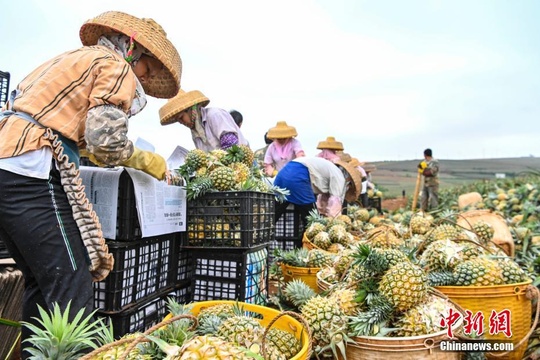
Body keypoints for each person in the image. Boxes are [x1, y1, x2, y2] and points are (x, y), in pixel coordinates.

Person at [0, 10, 181, 358]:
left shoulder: (73, 58)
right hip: (30, 167)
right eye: (146, 68)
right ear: (132, 49)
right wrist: (148, 161)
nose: (143, 77)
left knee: (42, 281)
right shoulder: (116, 66)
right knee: (72, 282)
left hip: (7, 162)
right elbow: (106, 141)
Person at [274, 157, 361, 225]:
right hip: (298, 175)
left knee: (273, 216)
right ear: (349, 182)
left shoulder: (331, 169)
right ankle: (308, 245)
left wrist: (322, 215)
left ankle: (262, 239)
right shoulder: (340, 177)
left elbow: (323, 201)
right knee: (312, 221)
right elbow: (335, 206)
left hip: (284, 173)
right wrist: (336, 225)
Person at [159, 89, 249, 151]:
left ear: (191, 109)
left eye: (181, 117)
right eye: (178, 121)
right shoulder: (195, 132)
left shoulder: (214, 115)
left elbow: (231, 144)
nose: (181, 122)